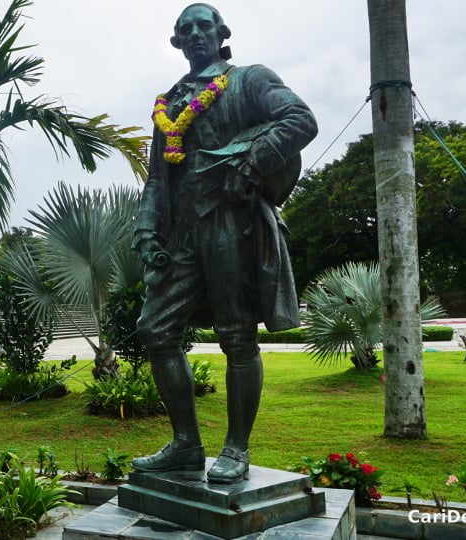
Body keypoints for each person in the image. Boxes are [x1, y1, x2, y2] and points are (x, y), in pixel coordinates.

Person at [131, 3, 317, 484]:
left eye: (204, 26)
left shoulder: (249, 79)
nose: (195, 34)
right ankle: (186, 445)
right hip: (182, 232)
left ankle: (236, 448)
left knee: (236, 335)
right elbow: (157, 179)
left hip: (231, 223)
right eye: (186, 29)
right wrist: (146, 231)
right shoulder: (169, 103)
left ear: (221, 33)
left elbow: (300, 119)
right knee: (155, 329)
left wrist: (252, 162)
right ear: (176, 41)